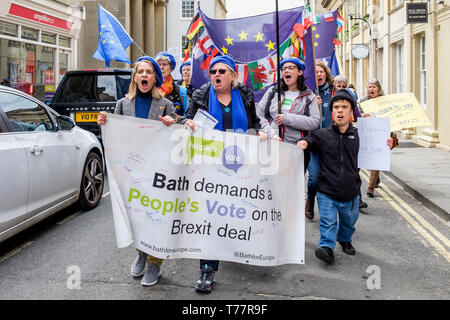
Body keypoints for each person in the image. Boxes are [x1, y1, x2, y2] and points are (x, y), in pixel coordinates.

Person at [183, 55, 263, 293]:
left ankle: (235, 247)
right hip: (209, 166)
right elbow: (188, 120)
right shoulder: (200, 96)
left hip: (240, 165)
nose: (216, 75)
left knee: (237, 211)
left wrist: (260, 136)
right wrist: (187, 124)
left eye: (221, 71)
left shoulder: (245, 96)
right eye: (213, 72)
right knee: (211, 216)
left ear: (232, 75)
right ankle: (207, 269)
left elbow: (254, 124)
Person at [97, 56, 178, 286]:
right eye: (140, 71)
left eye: (149, 72)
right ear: (135, 77)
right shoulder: (123, 104)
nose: (144, 75)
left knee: (158, 216)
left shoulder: (166, 104)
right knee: (138, 215)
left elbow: (177, 129)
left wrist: (172, 123)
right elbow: (114, 133)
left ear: (155, 78)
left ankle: (154, 263)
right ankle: (142, 252)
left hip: (158, 171)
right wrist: (104, 121)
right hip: (133, 172)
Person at [297, 89, 394, 264]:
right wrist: (305, 143)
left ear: (351, 112)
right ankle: (326, 247)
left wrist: (390, 143)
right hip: (327, 192)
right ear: (331, 111)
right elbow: (311, 141)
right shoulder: (321, 135)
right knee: (328, 223)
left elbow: (380, 145)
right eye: (336, 107)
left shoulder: (359, 136)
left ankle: (345, 240)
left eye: (344, 107)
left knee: (348, 223)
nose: (339, 110)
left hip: (351, 193)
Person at [256, 56, 320, 171]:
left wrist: (288, 119)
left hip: (296, 150)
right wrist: (272, 134)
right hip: (272, 148)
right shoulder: (273, 92)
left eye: (291, 68)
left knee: (292, 186)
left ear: (300, 72)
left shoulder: (309, 96)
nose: (286, 71)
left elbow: (315, 121)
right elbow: (259, 115)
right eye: (284, 69)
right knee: (271, 185)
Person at [331, 76, 367, 210]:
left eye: (343, 86)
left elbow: (357, 115)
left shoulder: (350, 98)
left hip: (348, 135)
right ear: (334, 86)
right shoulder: (330, 97)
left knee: (353, 169)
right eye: (338, 85)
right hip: (332, 137)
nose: (341, 88)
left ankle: (358, 198)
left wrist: (365, 117)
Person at [305, 63, 334, 221]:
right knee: (314, 177)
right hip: (314, 140)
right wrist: (312, 106)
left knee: (330, 177)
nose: (318, 74)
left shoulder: (334, 90)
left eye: (321, 71)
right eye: (315, 72)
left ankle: (327, 210)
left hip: (331, 141)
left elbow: (348, 109)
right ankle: (310, 199)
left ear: (326, 74)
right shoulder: (307, 93)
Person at [359, 78, 385, 198]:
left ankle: (370, 187)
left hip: (380, 133)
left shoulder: (384, 100)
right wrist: (362, 115)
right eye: (369, 87)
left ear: (378, 88)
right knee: (366, 158)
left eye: (374, 87)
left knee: (377, 158)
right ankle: (376, 179)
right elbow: (356, 114)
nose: (371, 89)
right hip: (366, 132)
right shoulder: (363, 101)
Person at [155, 51, 185, 118]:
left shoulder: (181, 91)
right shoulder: (149, 88)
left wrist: (179, 118)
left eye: (164, 64)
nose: (161, 67)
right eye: (158, 64)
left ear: (171, 68)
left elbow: (187, 115)